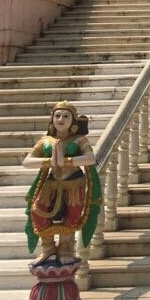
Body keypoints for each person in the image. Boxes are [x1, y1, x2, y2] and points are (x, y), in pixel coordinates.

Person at [23, 101, 101, 264]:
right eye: (57, 115)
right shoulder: (45, 140)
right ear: (52, 120)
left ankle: (66, 248)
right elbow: (27, 161)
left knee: (72, 215)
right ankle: (48, 247)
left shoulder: (79, 140)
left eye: (66, 116)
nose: (61, 119)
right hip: (51, 182)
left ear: (73, 121)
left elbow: (90, 158)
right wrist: (50, 162)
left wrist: (65, 161)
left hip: (73, 182)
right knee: (38, 211)